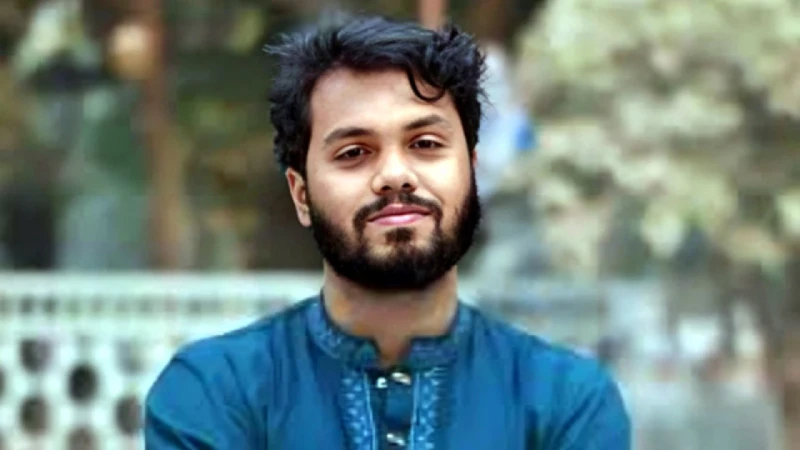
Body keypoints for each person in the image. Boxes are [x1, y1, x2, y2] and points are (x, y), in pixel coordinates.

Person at [144, 15, 630, 449]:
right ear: (301, 195)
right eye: (354, 152)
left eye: (426, 143)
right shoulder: (213, 392)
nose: (396, 175)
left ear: (473, 173)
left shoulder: (567, 402)